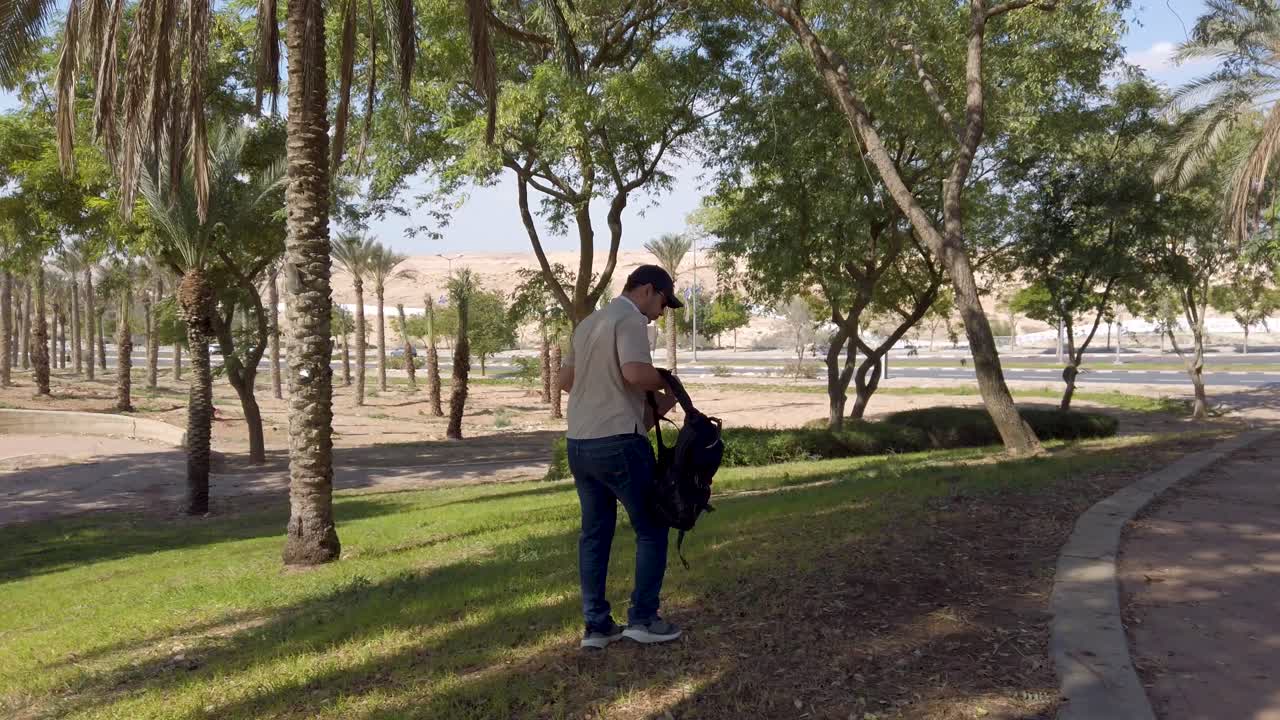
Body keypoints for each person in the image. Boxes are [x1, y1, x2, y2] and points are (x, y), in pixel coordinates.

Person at [558, 265, 682, 649]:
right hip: (619, 443)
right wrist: (668, 380)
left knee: (595, 535)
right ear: (647, 290)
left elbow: (565, 382)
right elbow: (634, 373)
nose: (661, 312)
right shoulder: (630, 319)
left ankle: (596, 627)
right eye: (663, 302)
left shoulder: (588, 324)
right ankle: (643, 618)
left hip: (579, 443)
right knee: (652, 527)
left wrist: (656, 400)